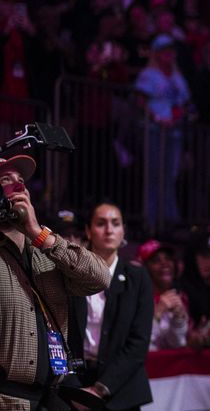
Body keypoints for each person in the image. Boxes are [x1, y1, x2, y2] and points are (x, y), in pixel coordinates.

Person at [0, 154, 110, 411]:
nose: (19, 186)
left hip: (49, 398)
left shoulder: (44, 250)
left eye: (22, 181)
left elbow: (100, 278)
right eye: (6, 179)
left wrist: (40, 234)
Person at [65, 201, 153, 410]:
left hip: (121, 390)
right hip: (75, 386)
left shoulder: (138, 278)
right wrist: (73, 387)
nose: (109, 230)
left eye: (116, 223)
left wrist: (99, 389)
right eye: (101, 223)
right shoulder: (70, 274)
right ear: (88, 230)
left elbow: (138, 344)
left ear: (123, 232)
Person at [134, 34, 190, 227]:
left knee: (170, 176)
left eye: (171, 51)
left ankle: (168, 219)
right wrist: (157, 118)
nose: (169, 54)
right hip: (154, 131)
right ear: (156, 53)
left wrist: (176, 117)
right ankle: (151, 220)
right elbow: (140, 100)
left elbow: (184, 103)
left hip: (173, 133)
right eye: (164, 50)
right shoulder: (148, 75)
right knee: (154, 175)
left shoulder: (178, 76)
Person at [136, 240, 188, 351]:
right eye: (156, 260)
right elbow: (141, 346)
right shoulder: (135, 299)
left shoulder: (179, 297)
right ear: (144, 268)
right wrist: (157, 313)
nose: (165, 264)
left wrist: (178, 320)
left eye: (168, 259)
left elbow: (177, 345)